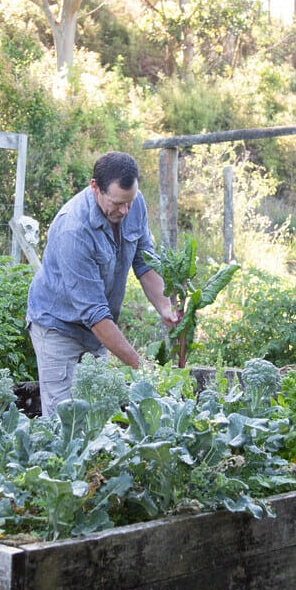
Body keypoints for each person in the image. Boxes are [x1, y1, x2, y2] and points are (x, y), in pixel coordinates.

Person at [26, 151, 179, 417]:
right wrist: (137, 363)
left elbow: (144, 261)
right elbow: (94, 313)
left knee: (99, 413)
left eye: (129, 202)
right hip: (58, 327)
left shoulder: (133, 203)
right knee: (65, 420)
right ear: (95, 187)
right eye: (117, 203)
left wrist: (165, 306)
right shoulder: (73, 229)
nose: (125, 210)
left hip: (98, 329)